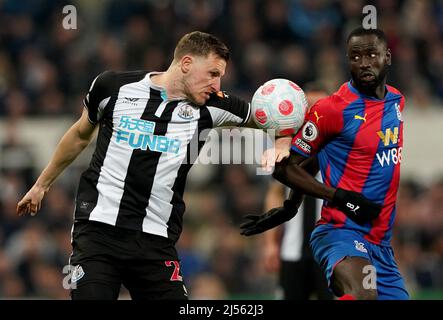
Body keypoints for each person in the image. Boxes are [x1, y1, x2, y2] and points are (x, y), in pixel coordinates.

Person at [16, 31, 255, 300]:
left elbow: (270, 119)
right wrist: (41, 184)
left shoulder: (215, 105)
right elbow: (80, 135)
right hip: (98, 231)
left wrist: (282, 142)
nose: (217, 83)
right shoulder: (112, 87)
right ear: (186, 63)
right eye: (212, 73)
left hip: (155, 242)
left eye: (220, 76)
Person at [241, 28, 409, 300]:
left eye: (371, 54)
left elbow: (317, 159)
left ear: (388, 57)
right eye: (355, 56)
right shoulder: (332, 109)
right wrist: (339, 197)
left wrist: (289, 206)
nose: (364, 62)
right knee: (363, 294)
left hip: (380, 245)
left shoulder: (396, 101)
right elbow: (286, 167)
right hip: (340, 233)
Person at [262, 86, 333, 300]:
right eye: (308, 108)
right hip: (292, 252)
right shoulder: (285, 147)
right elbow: (274, 194)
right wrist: (270, 244)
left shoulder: (341, 147)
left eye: (319, 108)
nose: (314, 113)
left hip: (331, 253)